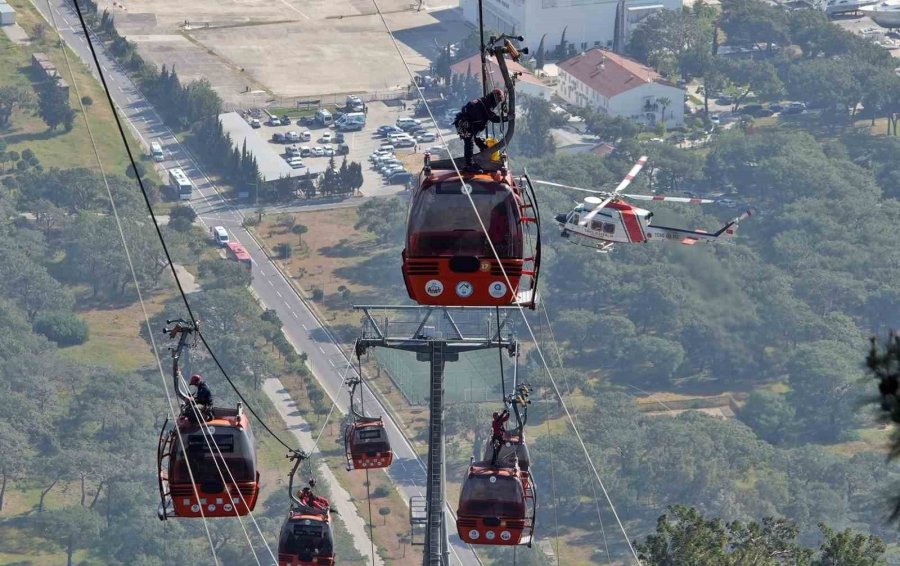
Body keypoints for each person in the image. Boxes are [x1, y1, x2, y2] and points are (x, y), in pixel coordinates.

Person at [454, 89, 509, 173]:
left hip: (467, 124)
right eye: (498, 100)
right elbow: (494, 119)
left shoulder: (485, 101)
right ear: (495, 98)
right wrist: (508, 118)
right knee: (469, 142)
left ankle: (480, 154)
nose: (497, 103)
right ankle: (469, 165)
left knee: (476, 140)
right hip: (464, 124)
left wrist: (482, 146)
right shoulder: (486, 104)